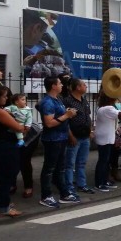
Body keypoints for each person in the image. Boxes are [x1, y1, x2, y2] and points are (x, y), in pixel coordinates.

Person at [37, 76, 79, 208]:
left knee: (60, 167)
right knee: (49, 168)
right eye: (60, 83)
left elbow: (57, 115)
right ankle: (46, 195)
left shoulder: (58, 99)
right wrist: (66, 115)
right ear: (53, 86)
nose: (62, 85)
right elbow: (49, 123)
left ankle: (64, 193)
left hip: (61, 137)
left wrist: (68, 113)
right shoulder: (48, 102)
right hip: (52, 139)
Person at [0, 86, 25, 216]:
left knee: (7, 174)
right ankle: (3, 206)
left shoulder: (1, 110)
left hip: (2, 145)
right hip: (4, 146)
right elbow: (18, 127)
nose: (6, 99)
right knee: (8, 174)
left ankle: (0, 201)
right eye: (4, 96)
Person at [63, 78, 94, 195]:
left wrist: (90, 130)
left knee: (81, 162)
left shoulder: (84, 100)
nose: (86, 86)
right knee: (70, 163)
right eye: (84, 85)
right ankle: (69, 186)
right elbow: (65, 121)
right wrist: (70, 136)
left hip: (85, 136)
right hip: (74, 136)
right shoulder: (68, 101)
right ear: (77, 87)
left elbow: (88, 116)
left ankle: (82, 184)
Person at [94, 90, 121, 192]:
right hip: (105, 138)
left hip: (105, 136)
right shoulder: (108, 108)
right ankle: (99, 183)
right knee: (103, 161)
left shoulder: (102, 108)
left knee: (105, 161)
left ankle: (104, 180)